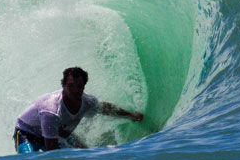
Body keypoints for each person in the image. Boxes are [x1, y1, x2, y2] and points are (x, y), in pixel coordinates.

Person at [14, 66, 144, 153]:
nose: (75, 91)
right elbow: (51, 155)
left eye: (79, 86)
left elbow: (106, 109)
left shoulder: (87, 102)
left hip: (58, 131)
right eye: (70, 86)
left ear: (84, 86)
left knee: (85, 154)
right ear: (63, 85)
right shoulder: (51, 110)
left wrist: (132, 115)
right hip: (27, 132)